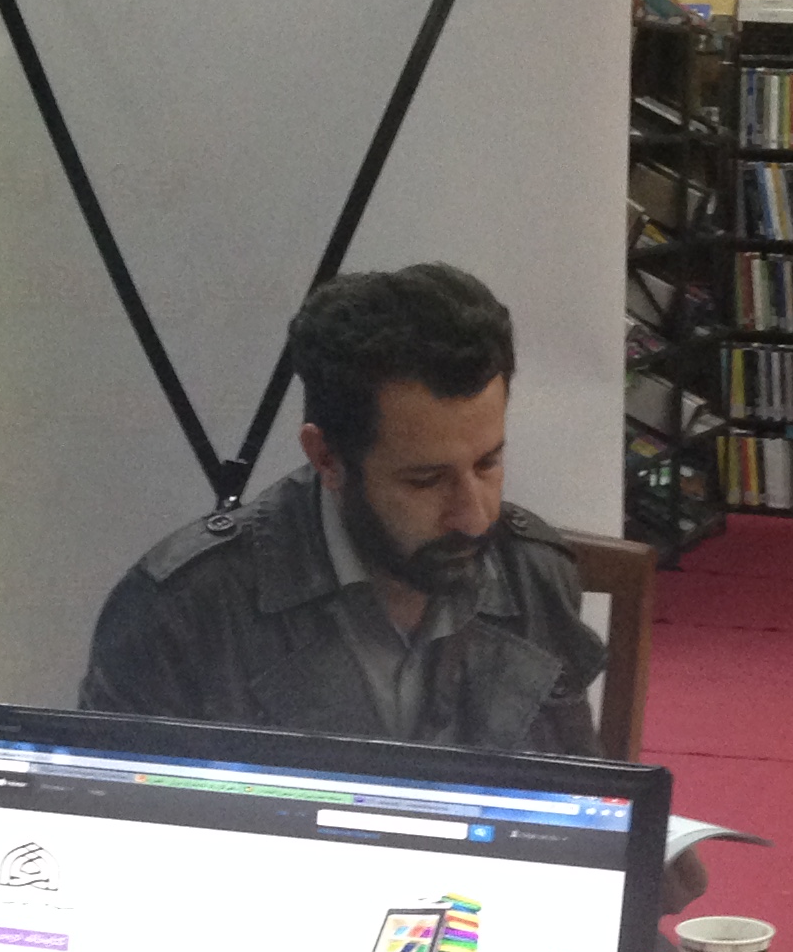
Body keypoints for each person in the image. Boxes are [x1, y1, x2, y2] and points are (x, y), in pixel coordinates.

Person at [81, 263, 606, 755]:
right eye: (425, 480)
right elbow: (114, 813)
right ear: (327, 458)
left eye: (488, 464)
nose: (474, 516)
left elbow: (577, 795)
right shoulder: (182, 614)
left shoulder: (534, 574)